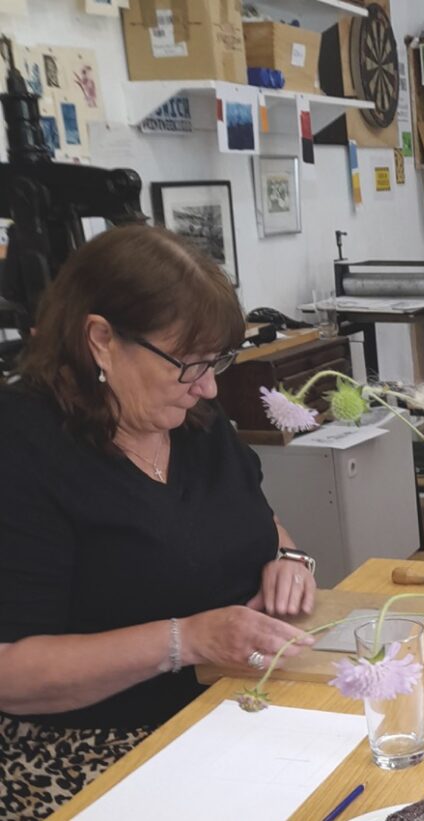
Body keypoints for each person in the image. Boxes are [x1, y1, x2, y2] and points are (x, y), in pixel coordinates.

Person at [0, 225, 318, 818]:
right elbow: (11, 670)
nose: (209, 385)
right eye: (190, 364)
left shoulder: (190, 415)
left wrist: (291, 559)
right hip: (96, 753)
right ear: (101, 339)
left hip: (232, 710)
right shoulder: (22, 447)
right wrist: (186, 639)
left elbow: (255, 518)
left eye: (217, 361)